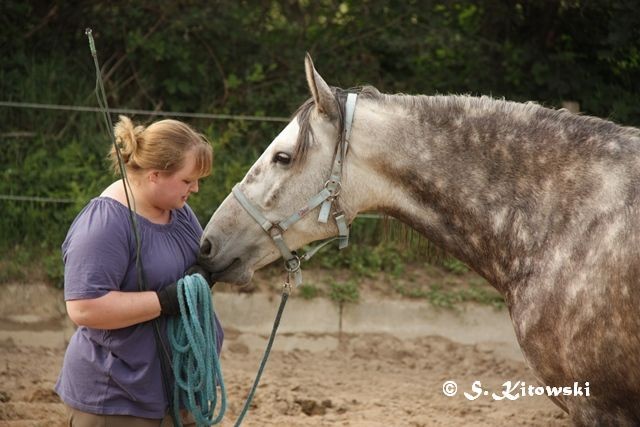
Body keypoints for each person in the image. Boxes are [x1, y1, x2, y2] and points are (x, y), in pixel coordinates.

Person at [54, 116, 223, 426]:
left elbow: (196, 264)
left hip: (178, 391)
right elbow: (84, 308)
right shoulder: (105, 225)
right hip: (119, 399)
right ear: (155, 175)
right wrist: (164, 301)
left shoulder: (178, 211)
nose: (195, 189)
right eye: (188, 180)